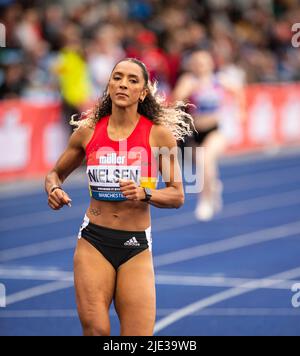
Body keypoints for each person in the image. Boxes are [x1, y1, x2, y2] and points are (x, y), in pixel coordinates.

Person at [44, 58, 192, 336]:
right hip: (94, 242)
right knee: (96, 330)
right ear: (109, 84)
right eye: (117, 77)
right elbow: (54, 174)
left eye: (133, 80)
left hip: (136, 247)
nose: (123, 84)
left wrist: (145, 193)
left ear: (143, 92)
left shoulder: (159, 136)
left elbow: (177, 195)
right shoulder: (88, 132)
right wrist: (53, 189)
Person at [173, 50, 245, 221]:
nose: (200, 66)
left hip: (216, 129)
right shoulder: (189, 81)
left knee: (204, 160)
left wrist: (241, 111)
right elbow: (176, 99)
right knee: (203, 165)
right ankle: (213, 185)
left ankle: (205, 200)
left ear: (211, 64)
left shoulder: (219, 80)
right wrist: (186, 92)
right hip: (194, 131)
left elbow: (238, 91)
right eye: (196, 62)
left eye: (203, 62)